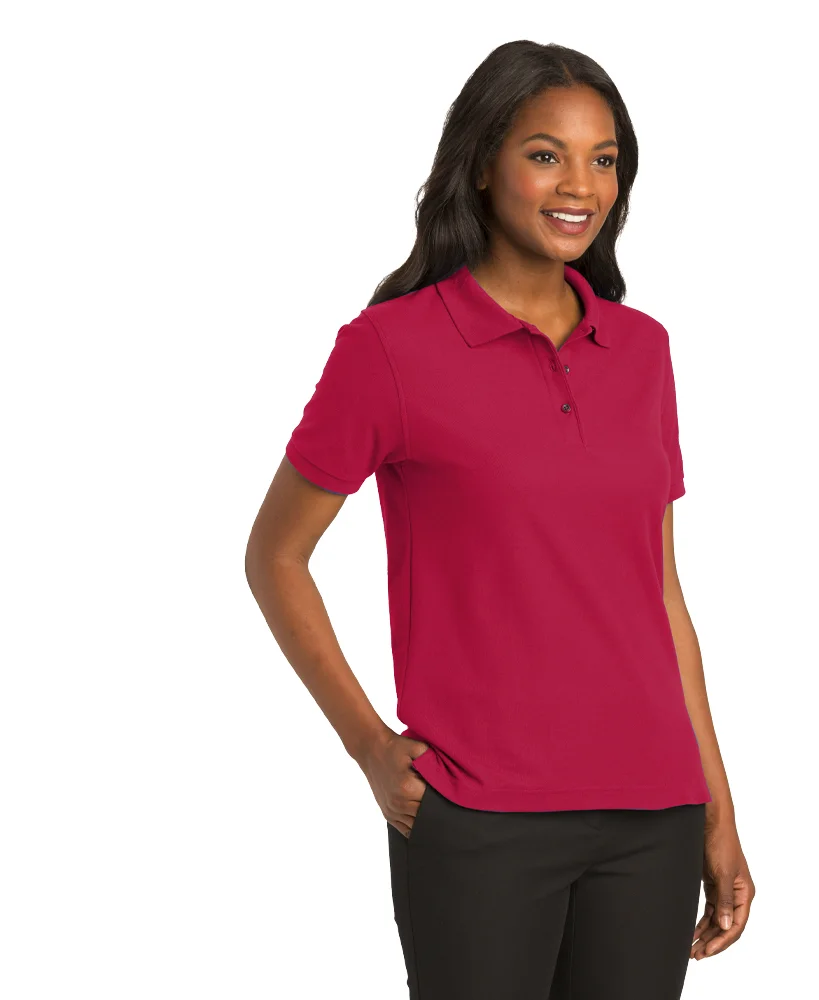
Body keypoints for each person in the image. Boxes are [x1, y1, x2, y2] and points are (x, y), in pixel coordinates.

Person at [245, 39, 754, 1000]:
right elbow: (275, 556)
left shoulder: (641, 350)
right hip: (480, 819)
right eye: (546, 154)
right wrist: (368, 745)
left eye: (604, 159)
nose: (581, 186)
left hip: (653, 816)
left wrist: (717, 812)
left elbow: (659, 595)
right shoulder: (389, 348)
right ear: (481, 164)